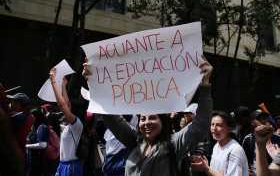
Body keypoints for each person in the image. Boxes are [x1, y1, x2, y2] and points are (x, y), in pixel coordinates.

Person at [83, 55, 213, 176]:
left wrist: (205, 84)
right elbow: (111, 118)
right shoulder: (135, 141)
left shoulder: (173, 143)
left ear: (163, 121)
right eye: (142, 119)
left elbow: (200, 124)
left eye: (152, 117)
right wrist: (94, 82)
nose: (146, 123)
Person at [191, 111, 249, 176]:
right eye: (212, 124)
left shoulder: (235, 150)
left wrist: (206, 168)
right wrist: (206, 166)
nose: (214, 128)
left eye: (219, 125)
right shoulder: (216, 146)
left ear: (229, 128)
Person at [49, 68, 83, 176]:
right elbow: (66, 104)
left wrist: (53, 81)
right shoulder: (66, 126)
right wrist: (63, 85)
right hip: (62, 165)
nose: (64, 111)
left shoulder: (77, 125)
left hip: (71, 168)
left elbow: (62, 105)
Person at [242, 110, 280, 176]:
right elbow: (245, 160)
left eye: (265, 118)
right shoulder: (248, 139)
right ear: (252, 122)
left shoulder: (277, 138)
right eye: (259, 119)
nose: (263, 121)